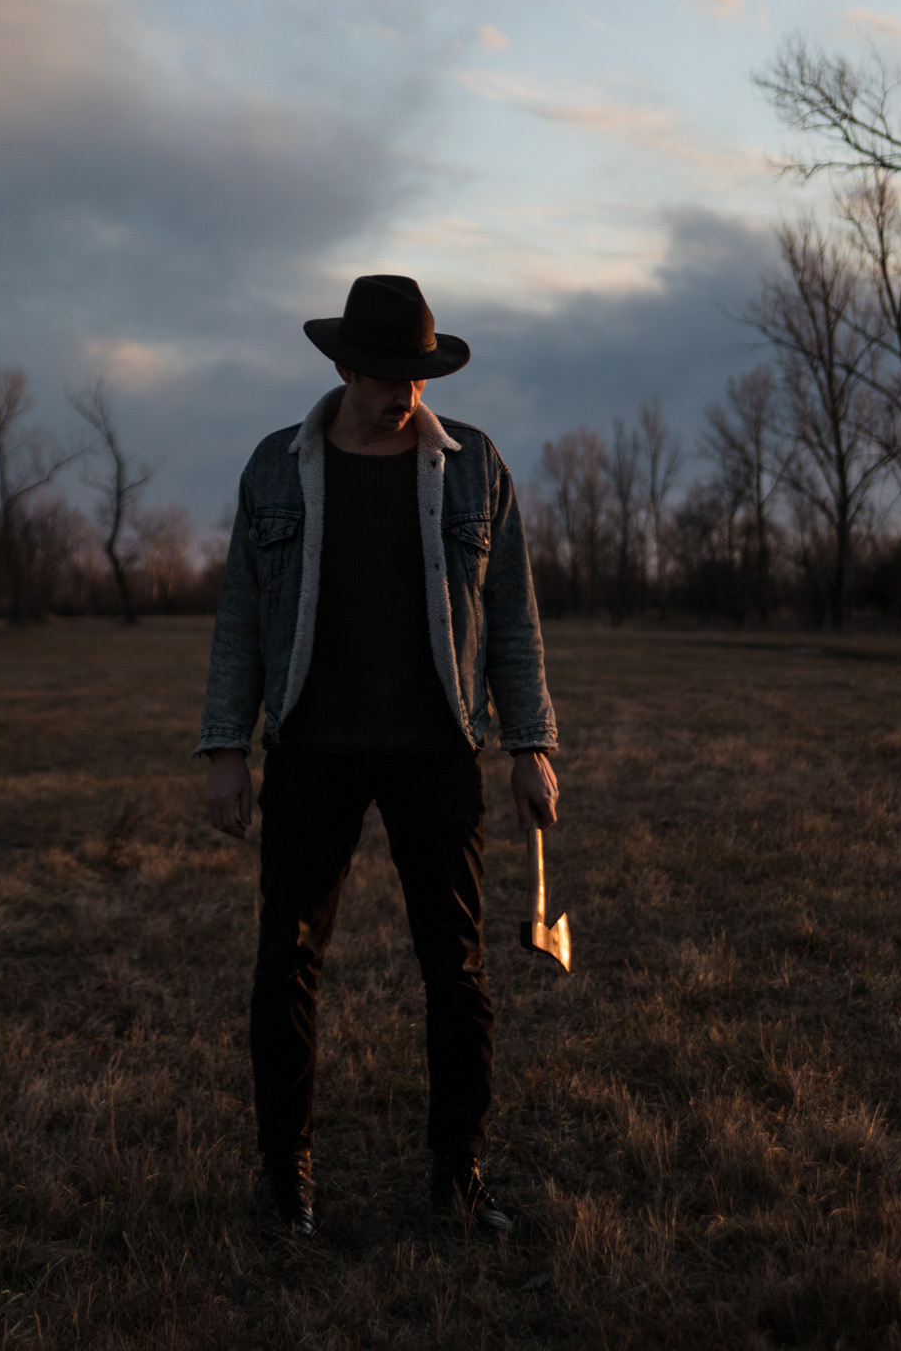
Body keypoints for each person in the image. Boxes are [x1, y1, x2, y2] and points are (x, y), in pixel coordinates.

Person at [195, 274, 559, 1238]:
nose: (408, 392)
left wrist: (531, 745)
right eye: (391, 375)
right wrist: (225, 748)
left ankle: (459, 1175)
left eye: (420, 374)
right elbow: (241, 616)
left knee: (457, 969)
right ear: (347, 369)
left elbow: (512, 615)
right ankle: (287, 1183)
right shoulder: (278, 467)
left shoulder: (473, 467)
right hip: (311, 749)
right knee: (286, 964)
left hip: (435, 750)